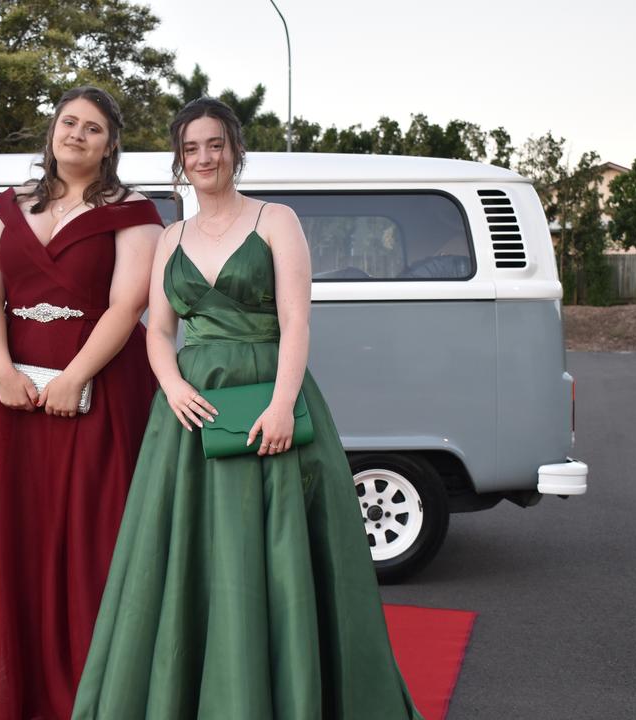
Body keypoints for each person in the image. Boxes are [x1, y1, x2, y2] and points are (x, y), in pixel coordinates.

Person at [71, 98, 423, 719]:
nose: (204, 157)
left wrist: (285, 404)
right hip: (192, 412)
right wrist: (173, 387)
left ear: (235, 149)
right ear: (180, 160)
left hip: (270, 398)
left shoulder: (274, 220)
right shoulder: (170, 236)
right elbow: (158, 331)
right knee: (188, 558)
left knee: (280, 553)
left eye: (215, 144)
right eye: (191, 148)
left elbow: (295, 321)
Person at [0, 86, 163, 720]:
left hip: (101, 390)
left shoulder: (134, 212)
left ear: (111, 145)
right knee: (23, 533)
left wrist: (73, 377)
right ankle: (23, 688)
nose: (77, 134)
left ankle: (98, 691)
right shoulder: (6, 207)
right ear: (52, 131)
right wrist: (1, 369)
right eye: (69, 122)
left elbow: (130, 304)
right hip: (16, 395)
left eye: (93, 128)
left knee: (97, 533)